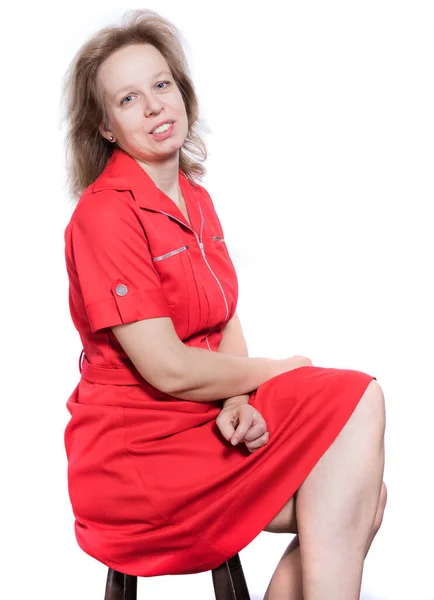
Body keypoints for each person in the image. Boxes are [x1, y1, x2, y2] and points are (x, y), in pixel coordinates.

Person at [62, 9, 387, 599]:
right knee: (356, 400)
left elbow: (221, 317)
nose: (156, 105)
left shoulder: (197, 200)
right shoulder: (104, 214)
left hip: (201, 425)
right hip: (138, 456)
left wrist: (239, 397)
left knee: (364, 490)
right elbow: (166, 367)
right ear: (106, 126)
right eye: (129, 98)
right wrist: (277, 373)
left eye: (162, 85)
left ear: (181, 93)